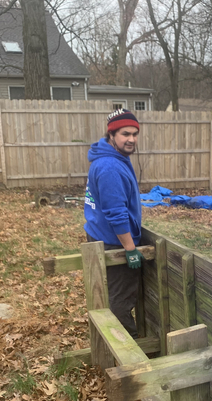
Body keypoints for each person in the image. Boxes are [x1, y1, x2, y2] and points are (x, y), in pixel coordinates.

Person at [84, 108, 144, 338]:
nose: (131, 139)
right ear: (111, 135)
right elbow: (115, 212)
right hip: (113, 242)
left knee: (107, 295)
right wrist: (130, 249)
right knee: (120, 301)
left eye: (135, 134)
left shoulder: (113, 158)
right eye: (125, 134)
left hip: (99, 235)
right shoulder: (109, 166)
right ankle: (128, 351)